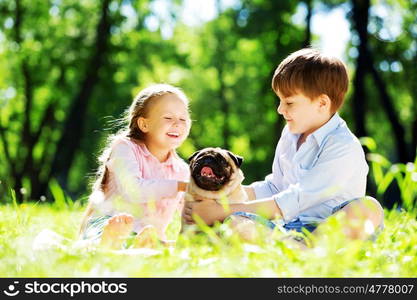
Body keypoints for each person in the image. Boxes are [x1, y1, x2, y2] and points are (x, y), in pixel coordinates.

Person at [183, 48, 384, 243]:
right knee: (236, 224)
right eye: (280, 101)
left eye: (289, 103)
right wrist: (219, 196)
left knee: (367, 208)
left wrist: (220, 211)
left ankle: (309, 252)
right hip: (288, 231)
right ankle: (293, 249)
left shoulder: (342, 146)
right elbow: (275, 187)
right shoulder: (291, 134)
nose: (280, 109)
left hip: (331, 232)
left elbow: (294, 199)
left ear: (322, 104)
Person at [79, 83, 191, 249]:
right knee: (100, 239)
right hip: (107, 222)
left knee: (163, 247)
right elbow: (134, 190)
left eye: (183, 119)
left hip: (148, 235)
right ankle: (110, 242)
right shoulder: (125, 148)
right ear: (144, 124)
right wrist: (180, 186)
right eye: (168, 118)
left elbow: (190, 213)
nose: (177, 124)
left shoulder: (181, 170)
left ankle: (137, 246)